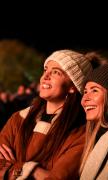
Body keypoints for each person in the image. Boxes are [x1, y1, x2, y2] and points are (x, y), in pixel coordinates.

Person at [0, 49, 94, 179]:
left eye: (56, 72)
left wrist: (12, 168)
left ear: (73, 86)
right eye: (45, 70)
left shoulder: (80, 134)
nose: (45, 76)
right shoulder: (18, 119)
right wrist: (33, 171)